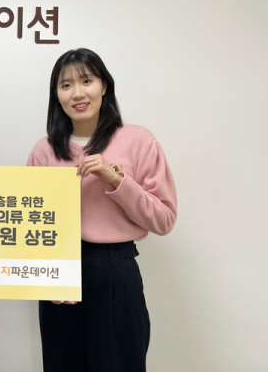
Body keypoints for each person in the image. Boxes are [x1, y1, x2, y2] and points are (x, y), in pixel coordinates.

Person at [27, 48, 177, 372]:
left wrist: (115, 178)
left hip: (115, 270)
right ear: (56, 94)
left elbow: (164, 220)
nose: (77, 93)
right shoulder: (44, 151)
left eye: (86, 81)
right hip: (59, 276)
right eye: (66, 85)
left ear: (104, 85)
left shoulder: (138, 140)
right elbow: (30, 228)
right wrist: (46, 278)